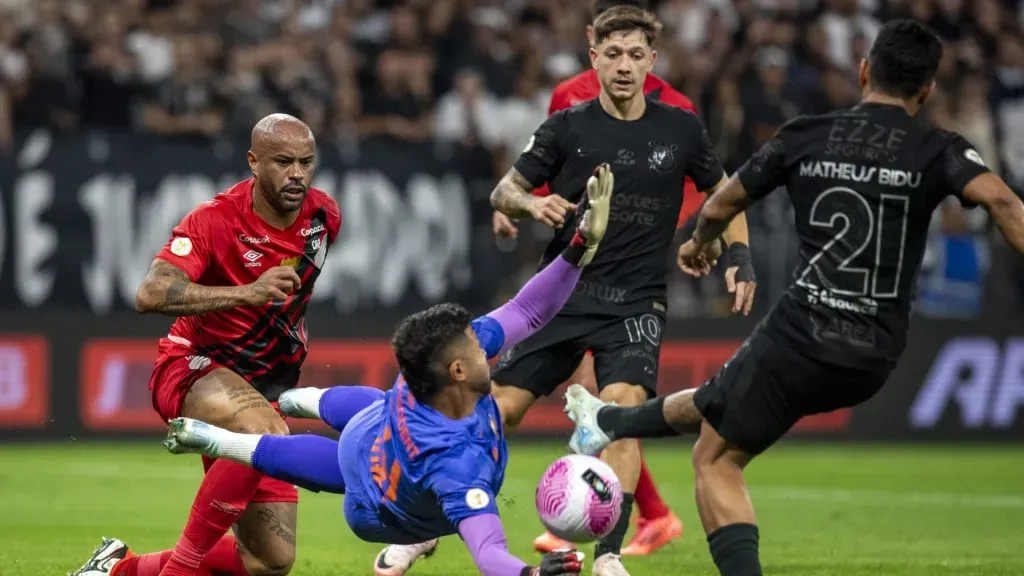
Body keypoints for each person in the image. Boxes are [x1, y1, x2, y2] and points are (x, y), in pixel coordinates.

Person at [563, 19, 1024, 576]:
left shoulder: (806, 133)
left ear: (862, 72)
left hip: (803, 333)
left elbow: (719, 203)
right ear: (926, 90)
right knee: (719, 399)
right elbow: (1003, 204)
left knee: (714, 456)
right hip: (875, 353)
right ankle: (608, 422)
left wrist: (701, 244)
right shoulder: (938, 147)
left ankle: (608, 424)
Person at [156, 164, 615, 576]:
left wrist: (580, 246)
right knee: (354, 465)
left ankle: (301, 401)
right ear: (457, 370)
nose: (489, 349)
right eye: (478, 349)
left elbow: (527, 310)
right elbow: (490, 551)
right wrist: (532, 574)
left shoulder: (425, 376)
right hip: (380, 512)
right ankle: (262, 428)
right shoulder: (458, 467)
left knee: (372, 417)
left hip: (384, 431)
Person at [487, 7, 753, 576]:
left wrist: (738, 256)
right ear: (595, 59)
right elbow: (504, 190)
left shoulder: (681, 127)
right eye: (613, 55)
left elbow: (726, 194)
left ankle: (608, 558)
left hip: (635, 301)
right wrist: (532, 203)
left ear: (652, 61)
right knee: (497, 412)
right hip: (561, 295)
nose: (624, 66)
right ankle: (451, 516)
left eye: (636, 55)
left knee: (621, 412)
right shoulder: (567, 125)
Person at [70, 114, 341, 576]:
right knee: (267, 434)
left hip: (260, 390)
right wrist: (246, 291)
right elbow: (150, 294)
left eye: (306, 162)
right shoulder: (214, 220)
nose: (297, 173)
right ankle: (181, 570)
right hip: (192, 367)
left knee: (268, 562)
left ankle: (115, 568)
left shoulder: (323, 216)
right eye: (283, 162)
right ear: (253, 162)